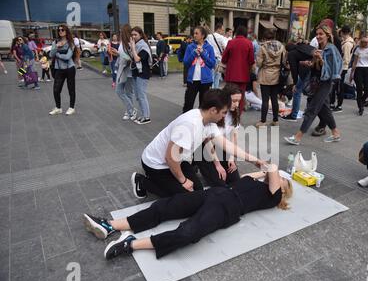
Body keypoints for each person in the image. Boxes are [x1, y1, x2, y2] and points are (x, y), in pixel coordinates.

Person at [83, 163, 292, 260]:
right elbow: (254, 174)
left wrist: (272, 170)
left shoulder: (273, 196)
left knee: (189, 232)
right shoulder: (257, 182)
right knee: (166, 206)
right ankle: (109, 225)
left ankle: (130, 244)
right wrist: (263, 171)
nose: (278, 176)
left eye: (283, 179)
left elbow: (273, 173)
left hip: (228, 207)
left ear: (283, 188)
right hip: (216, 193)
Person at [130, 89, 265, 198]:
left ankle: (171, 183)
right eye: (223, 112)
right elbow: (170, 157)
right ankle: (141, 181)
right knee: (184, 197)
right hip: (156, 164)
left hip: (177, 160)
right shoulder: (190, 124)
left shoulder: (208, 122)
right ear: (213, 110)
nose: (224, 116)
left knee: (198, 191)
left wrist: (254, 160)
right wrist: (183, 180)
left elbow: (227, 145)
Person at [284, 24, 342, 145]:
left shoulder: (331, 49)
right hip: (315, 82)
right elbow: (317, 66)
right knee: (324, 109)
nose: (318, 36)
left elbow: (332, 68)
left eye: (321, 34)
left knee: (312, 108)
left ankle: (298, 137)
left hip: (325, 83)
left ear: (327, 35)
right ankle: (336, 133)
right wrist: (309, 63)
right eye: (317, 34)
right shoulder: (318, 48)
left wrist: (320, 59)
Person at [194, 83, 242, 187]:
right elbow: (207, 141)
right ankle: (197, 163)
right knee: (219, 183)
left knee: (235, 181)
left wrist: (232, 158)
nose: (237, 104)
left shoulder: (234, 112)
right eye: (234, 101)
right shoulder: (215, 113)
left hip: (219, 147)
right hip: (204, 147)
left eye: (239, 101)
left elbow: (234, 135)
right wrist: (218, 164)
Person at [255, 29, 286, 127]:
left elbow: (259, 63)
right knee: (274, 99)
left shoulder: (263, 47)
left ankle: (263, 121)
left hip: (265, 75)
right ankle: (275, 120)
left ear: (264, 38)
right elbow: (284, 61)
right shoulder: (281, 46)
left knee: (265, 100)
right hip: (277, 74)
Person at [221, 25, 255, 114]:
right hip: (243, 75)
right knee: (240, 96)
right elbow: (251, 60)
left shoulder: (231, 42)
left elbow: (224, 59)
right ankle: (237, 116)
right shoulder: (249, 43)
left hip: (231, 74)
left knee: (229, 95)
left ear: (236, 33)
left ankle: (228, 115)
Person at [182, 26, 215, 113]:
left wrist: (203, 54)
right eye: (194, 33)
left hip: (205, 81)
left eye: (197, 33)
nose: (194, 35)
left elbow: (212, 64)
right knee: (188, 104)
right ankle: (186, 122)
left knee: (204, 105)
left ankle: (201, 123)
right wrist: (194, 54)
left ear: (203, 35)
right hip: (192, 80)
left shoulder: (209, 48)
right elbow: (186, 63)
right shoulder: (190, 47)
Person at [283, 38, 315, 121]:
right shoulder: (302, 46)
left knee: (297, 91)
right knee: (311, 93)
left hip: (306, 71)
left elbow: (294, 69)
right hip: (315, 69)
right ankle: (308, 113)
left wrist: (294, 83)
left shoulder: (291, 54)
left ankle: (294, 115)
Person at [48, 25, 77, 115]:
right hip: (58, 69)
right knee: (56, 89)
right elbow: (51, 55)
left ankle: (71, 108)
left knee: (71, 88)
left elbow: (68, 57)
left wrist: (57, 55)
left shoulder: (71, 43)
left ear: (66, 31)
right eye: (59, 30)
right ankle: (58, 108)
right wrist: (56, 46)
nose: (60, 31)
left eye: (62, 30)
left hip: (70, 69)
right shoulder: (55, 42)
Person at [349, 35, 368, 115]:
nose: (364, 43)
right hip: (358, 70)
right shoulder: (358, 49)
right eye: (363, 42)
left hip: (367, 70)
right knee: (359, 89)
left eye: (366, 42)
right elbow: (354, 62)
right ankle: (360, 107)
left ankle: (361, 101)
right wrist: (351, 73)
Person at [115, 24, 138, 121]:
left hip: (129, 71)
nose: (120, 33)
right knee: (119, 91)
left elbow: (133, 57)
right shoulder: (122, 43)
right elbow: (121, 55)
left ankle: (130, 110)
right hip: (122, 70)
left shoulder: (131, 43)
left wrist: (122, 55)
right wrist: (117, 53)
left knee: (128, 92)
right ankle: (130, 109)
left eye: (122, 32)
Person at [130, 26, 152, 125]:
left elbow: (137, 59)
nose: (133, 36)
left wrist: (133, 48)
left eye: (135, 34)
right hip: (135, 73)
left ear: (140, 35)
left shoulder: (143, 46)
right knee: (138, 96)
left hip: (143, 74)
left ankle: (146, 117)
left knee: (142, 95)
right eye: (132, 35)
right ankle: (143, 115)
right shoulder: (136, 44)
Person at [333, 25, 354, 112]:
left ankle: (339, 105)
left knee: (339, 87)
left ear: (342, 32)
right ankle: (338, 104)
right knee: (338, 86)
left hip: (342, 68)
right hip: (342, 67)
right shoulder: (347, 42)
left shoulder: (347, 44)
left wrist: (340, 69)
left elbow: (346, 58)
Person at [206, 23, 228, 89]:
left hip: (210, 58)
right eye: (222, 30)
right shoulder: (221, 38)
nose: (223, 32)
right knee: (217, 78)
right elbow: (225, 48)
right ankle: (215, 93)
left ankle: (211, 92)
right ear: (219, 29)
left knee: (211, 77)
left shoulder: (209, 36)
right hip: (218, 59)